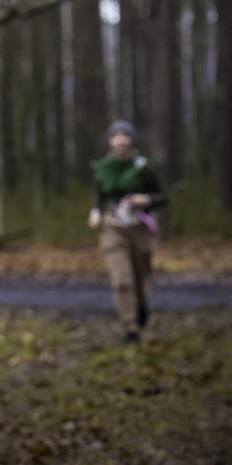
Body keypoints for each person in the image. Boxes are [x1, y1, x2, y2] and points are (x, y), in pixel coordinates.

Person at [87, 120, 168, 345]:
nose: (121, 140)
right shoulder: (102, 167)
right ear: (110, 141)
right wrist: (95, 213)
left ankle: (141, 304)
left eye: (125, 135)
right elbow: (98, 198)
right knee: (122, 280)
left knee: (140, 275)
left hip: (141, 228)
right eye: (116, 135)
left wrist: (146, 200)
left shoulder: (146, 166)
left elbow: (164, 196)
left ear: (132, 139)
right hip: (114, 229)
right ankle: (130, 327)